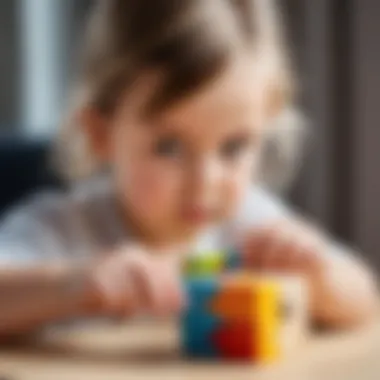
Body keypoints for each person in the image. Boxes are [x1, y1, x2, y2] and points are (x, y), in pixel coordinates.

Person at [0, 0, 377, 340]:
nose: (204, 183)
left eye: (234, 147)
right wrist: (71, 285)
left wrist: (317, 274)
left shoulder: (250, 225)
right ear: (102, 135)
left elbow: (366, 300)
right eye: (169, 148)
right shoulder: (60, 230)